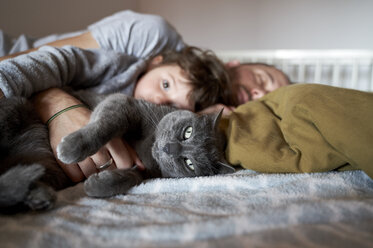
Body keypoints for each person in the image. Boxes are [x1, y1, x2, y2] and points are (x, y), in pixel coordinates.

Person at [0, 45, 233, 182]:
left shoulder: (155, 128)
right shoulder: (115, 64)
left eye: (175, 105)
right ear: (155, 63)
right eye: (165, 84)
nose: (161, 100)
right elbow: (52, 62)